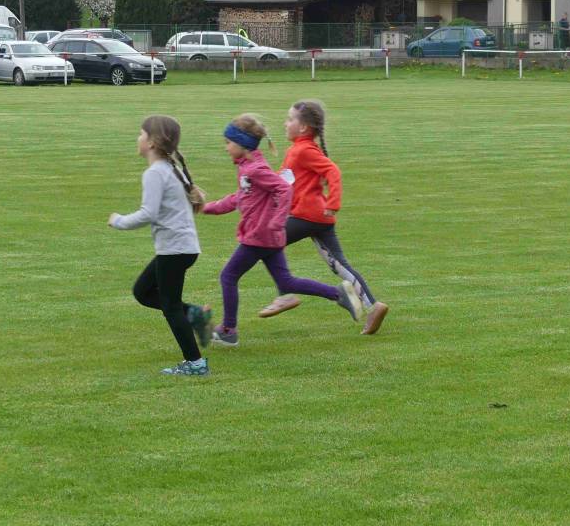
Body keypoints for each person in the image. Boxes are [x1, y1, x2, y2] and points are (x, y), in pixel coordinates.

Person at [202, 113, 362, 346]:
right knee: (286, 283)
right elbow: (239, 197)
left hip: (259, 237)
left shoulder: (255, 169)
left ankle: (228, 330)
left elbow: (284, 189)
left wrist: (276, 222)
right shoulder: (248, 168)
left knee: (228, 276)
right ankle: (339, 294)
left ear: (242, 144)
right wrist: (207, 208)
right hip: (268, 237)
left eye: (228, 142)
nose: (226, 147)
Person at [258, 100, 389, 335]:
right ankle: (373, 305)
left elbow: (332, 171)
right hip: (318, 218)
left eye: (290, 119)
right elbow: (284, 179)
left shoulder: (303, 150)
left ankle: (285, 294)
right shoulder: (298, 150)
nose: (285, 123)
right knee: (338, 264)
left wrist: (334, 202)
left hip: (307, 215)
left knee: (264, 242)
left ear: (303, 127)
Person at [108, 115, 213, 376]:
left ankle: (195, 364)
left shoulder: (155, 173)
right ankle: (195, 314)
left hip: (175, 249)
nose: (138, 138)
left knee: (170, 306)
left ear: (152, 142)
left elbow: (148, 213)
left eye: (141, 134)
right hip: (182, 248)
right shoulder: (169, 169)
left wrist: (119, 221)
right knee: (142, 292)